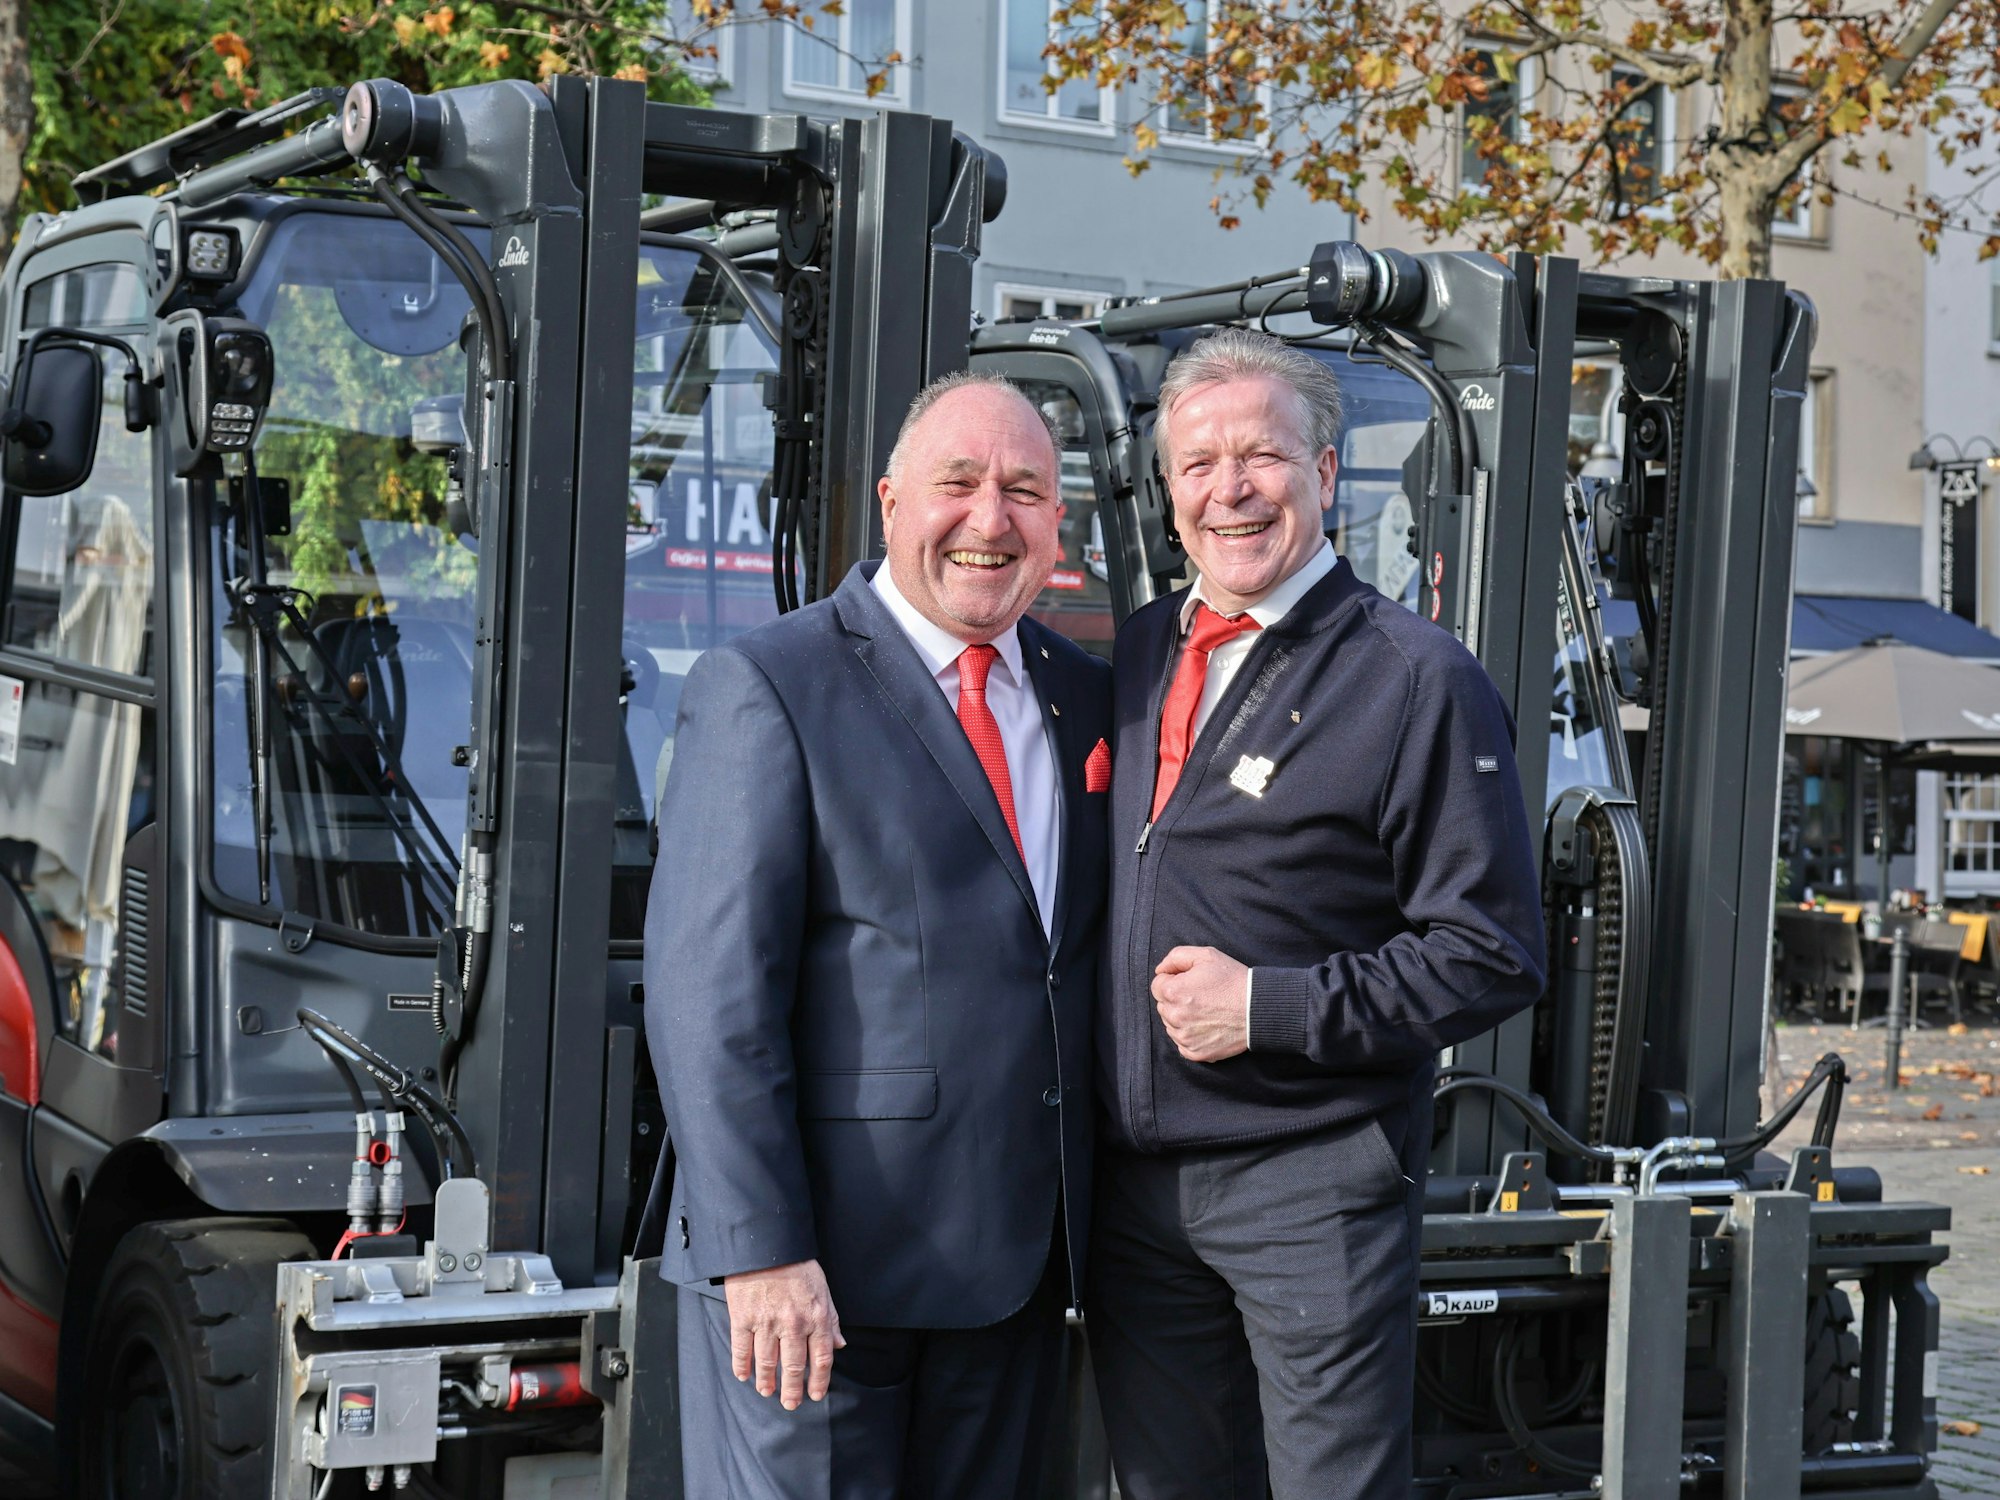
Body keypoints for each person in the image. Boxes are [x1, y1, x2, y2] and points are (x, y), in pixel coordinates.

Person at [1088, 327, 1546, 1499]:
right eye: (1196, 466)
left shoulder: (1413, 678)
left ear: (1327, 475)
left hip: (1304, 1186)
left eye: (1261, 457)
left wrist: (1268, 1007)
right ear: (1166, 489)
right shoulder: (1142, 650)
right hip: (1135, 1190)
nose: (1227, 491)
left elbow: (1489, 954)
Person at [645, 370, 1110, 1499]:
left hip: (1017, 1277)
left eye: (1025, 490)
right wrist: (759, 1249)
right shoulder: (770, 685)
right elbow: (708, 999)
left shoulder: (1085, 698)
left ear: (1059, 523)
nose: (989, 520)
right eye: (958, 483)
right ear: (893, 500)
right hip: (815, 1284)